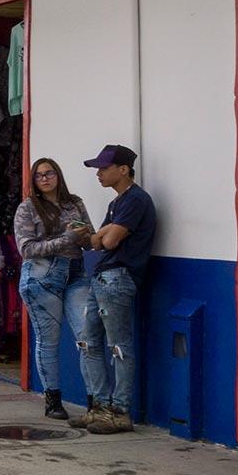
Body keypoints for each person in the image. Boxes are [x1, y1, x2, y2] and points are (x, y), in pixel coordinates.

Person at [77, 145, 157, 435]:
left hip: (118, 277)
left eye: (104, 168)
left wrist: (102, 234)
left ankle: (120, 411)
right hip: (103, 278)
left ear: (123, 169)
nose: (99, 173)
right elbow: (96, 241)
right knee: (89, 342)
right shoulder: (117, 203)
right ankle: (99, 406)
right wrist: (102, 234)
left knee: (118, 346)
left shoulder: (135, 200)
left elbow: (108, 242)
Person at [13, 158, 101, 421]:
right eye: (39, 176)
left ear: (58, 175)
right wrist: (65, 239)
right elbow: (26, 249)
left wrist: (84, 235)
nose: (45, 178)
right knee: (48, 341)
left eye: (50, 173)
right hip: (43, 276)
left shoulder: (75, 203)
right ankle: (53, 401)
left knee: (87, 337)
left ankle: (95, 402)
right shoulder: (27, 208)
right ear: (34, 181)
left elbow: (90, 241)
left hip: (75, 273)